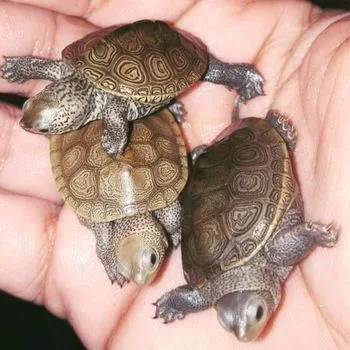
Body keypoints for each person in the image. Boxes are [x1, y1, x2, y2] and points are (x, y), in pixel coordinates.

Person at [0, 0, 348, 348]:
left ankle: (234, 82)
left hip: (157, 82)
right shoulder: (168, 218)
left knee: (200, 71)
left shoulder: (154, 216)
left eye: (154, 257)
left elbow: (123, 143)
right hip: (179, 155)